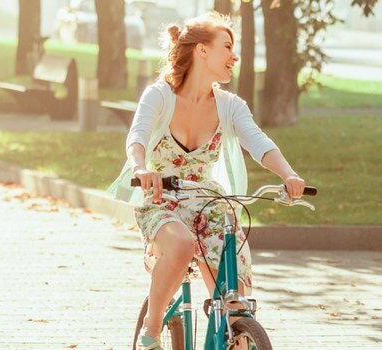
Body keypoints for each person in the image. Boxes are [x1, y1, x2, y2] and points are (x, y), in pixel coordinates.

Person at [103, 13, 306, 349]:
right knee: (181, 245)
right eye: (227, 47)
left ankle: (233, 333)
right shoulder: (159, 96)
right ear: (201, 51)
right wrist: (141, 169)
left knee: (232, 301)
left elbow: (259, 143)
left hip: (208, 202)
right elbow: (137, 137)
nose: (234, 56)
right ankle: (151, 331)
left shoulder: (230, 106)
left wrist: (288, 175)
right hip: (161, 198)